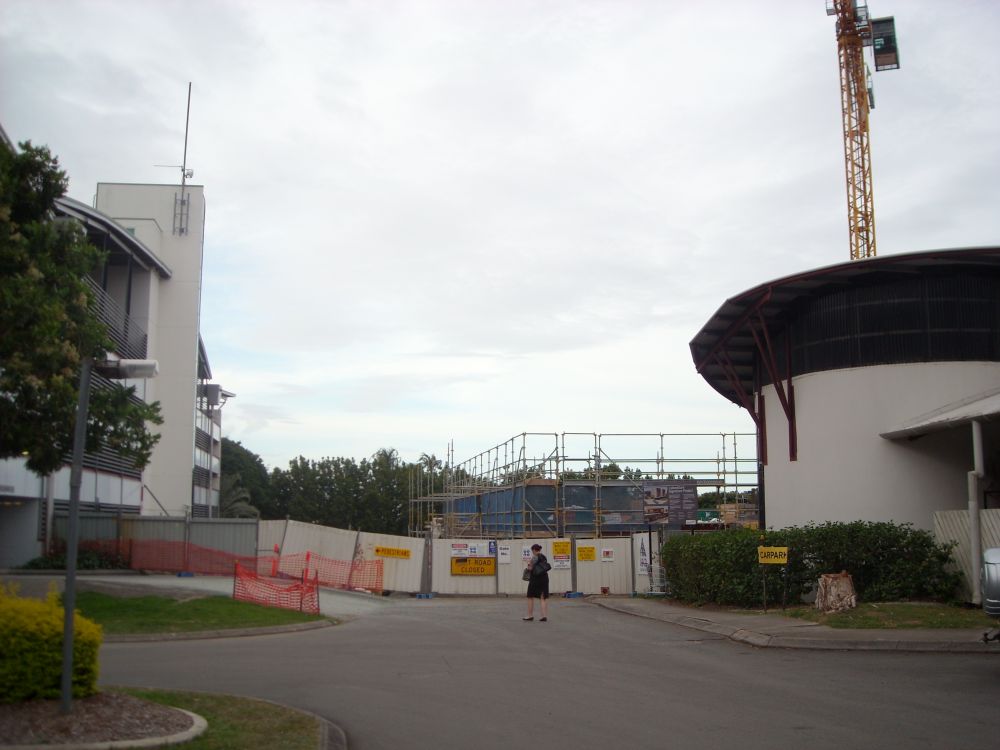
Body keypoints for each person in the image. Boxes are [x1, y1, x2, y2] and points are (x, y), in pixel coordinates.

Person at [523, 543, 550, 621]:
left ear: (534, 550)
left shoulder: (535, 557)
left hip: (535, 579)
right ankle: (544, 616)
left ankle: (530, 615)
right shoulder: (544, 557)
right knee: (543, 597)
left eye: (532, 551)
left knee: (530, 596)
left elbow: (530, 568)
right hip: (544, 578)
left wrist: (528, 563)